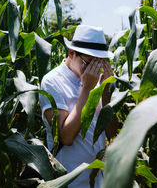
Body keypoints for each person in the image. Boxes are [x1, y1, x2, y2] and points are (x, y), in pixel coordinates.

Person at [39, 25, 117, 188]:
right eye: (89, 63)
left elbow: (111, 132)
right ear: (71, 53)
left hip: (97, 181)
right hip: (67, 182)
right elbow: (65, 137)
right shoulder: (52, 82)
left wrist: (105, 90)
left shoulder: (97, 81)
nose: (94, 70)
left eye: (99, 63)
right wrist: (87, 88)